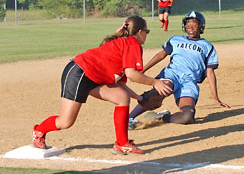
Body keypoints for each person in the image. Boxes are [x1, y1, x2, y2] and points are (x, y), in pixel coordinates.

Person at [32, 16, 172, 155]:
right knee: (65, 122)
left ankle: (122, 144)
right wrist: (155, 82)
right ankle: (39, 130)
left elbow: (120, 84)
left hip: (92, 77)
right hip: (79, 73)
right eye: (146, 32)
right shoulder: (132, 43)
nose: (146, 35)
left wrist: (140, 99)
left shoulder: (125, 44)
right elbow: (132, 74)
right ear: (140, 32)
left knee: (121, 97)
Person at [129, 11, 229, 129]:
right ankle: (128, 118)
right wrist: (143, 69)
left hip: (189, 81)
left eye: (194, 24)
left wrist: (215, 97)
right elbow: (161, 55)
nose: (190, 27)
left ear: (201, 26)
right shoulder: (176, 40)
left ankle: (162, 117)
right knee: (164, 87)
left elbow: (210, 72)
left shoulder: (207, 46)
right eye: (188, 24)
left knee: (187, 117)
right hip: (172, 74)